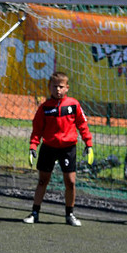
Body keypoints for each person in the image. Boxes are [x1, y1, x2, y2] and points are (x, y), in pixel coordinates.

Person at [24, 71, 93, 226]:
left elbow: (82, 125)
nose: (58, 90)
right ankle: (35, 213)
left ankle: (69, 215)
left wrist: (88, 143)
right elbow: (37, 130)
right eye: (55, 86)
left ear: (67, 87)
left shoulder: (74, 105)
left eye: (61, 87)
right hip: (48, 147)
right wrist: (33, 146)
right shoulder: (44, 108)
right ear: (49, 87)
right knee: (43, 181)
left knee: (70, 182)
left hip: (68, 149)